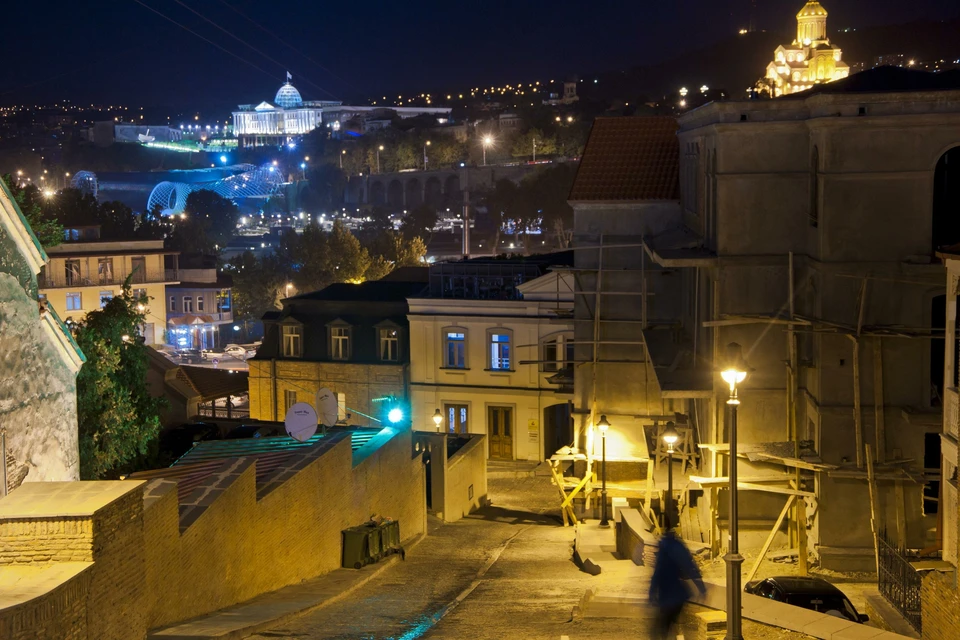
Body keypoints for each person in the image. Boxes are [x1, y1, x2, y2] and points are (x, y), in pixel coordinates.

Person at [648, 528, 707, 640]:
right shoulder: (678, 546)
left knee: (661, 629)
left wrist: (652, 592)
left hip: (666, 595)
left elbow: (658, 572)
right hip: (677, 594)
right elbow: (690, 567)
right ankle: (679, 636)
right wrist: (701, 588)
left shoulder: (665, 546)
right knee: (673, 624)